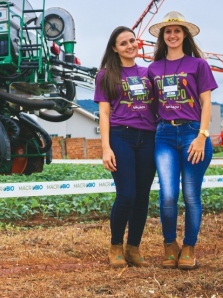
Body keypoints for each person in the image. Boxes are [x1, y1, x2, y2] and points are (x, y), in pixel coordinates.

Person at [147, 11, 218, 270]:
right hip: (164, 135)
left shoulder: (198, 65)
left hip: (192, 134)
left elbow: (206, 101)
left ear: (184, 35)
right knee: (167, 195)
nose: (173, 35)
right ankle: (169, 245)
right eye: (168, 31)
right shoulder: (153, 69)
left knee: (190, 195)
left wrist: (202, 135)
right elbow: (147, 105)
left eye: (177, 31)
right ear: (162, 37)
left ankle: (188, 247)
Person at [94, 26, 157, 268]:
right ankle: (115, 246)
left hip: (148, 138)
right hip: (122, 137)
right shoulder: (106, 75)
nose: (130, 45)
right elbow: (104, 113)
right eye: (123, 43)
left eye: (132, 40)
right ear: (114, 48)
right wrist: (106, 148)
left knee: (142, 197)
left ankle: (134, 248)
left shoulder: (148, 73)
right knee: (126, 194)